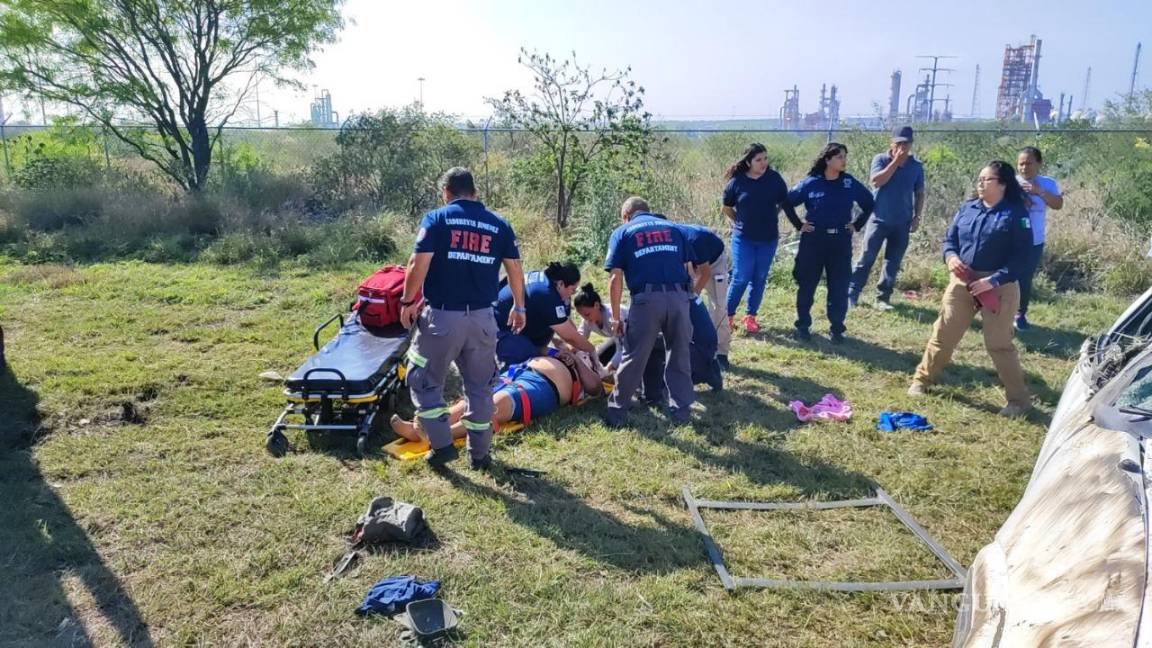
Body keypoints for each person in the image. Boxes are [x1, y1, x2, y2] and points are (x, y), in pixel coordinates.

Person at [399, 167, 525, 470]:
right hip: (483, 320)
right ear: (475, 192)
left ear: (446, 193)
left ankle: (442, 446)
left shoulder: (437, 219)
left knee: (425, 382)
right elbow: (515, 268)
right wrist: (519, 307)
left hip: (443, 318)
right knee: (480, 388)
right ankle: (480, 455)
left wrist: (407, 300)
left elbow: (418, 262)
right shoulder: (499, 224)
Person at [908, 161, 1034, 417]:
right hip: (963, 282)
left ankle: (1019, 401)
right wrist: (951, 257)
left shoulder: (1016, 214)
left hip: (999, 287)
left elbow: (1024, 258)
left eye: (987, 180)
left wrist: (994, 280)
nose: (980, 184)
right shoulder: (967, 209)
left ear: (1002, 184)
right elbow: (949, 240)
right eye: (979, 179)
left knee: (999, 344)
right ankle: (922, 381)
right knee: (943, 334)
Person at [603, 197, 697, 427]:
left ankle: (617, 413)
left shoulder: (623, 232)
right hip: (679, 297)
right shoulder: (675, 228)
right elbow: (689, 269)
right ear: (648, 210)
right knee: (679, 354)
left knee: (634, 355)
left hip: (647, 301)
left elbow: (615, 278)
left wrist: (615, 317)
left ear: (626, 216)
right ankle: (682, 412)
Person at [390, 350, 605, 443]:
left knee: (497, 403)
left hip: (546, 387)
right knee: (474, 399)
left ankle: (441, 436)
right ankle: (425, 426)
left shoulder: (589, 368)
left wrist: (578, 360)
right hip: (521, 373)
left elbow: (596, 388)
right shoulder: (564, 350)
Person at [785, 142, 875, 343]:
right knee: (807, 284)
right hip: (814, 240)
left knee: (839, 286)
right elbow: (787, 202)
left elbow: (869, 203)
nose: (844, 161)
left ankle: (837, 329)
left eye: (845, 156)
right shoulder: (811, 183)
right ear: (827, 160)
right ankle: (803, 326)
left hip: (840, 241)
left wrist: (857, 224)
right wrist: (799, 225)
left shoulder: (849, 183)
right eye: (839, 157)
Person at [721, 143, 803, 334]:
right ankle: (726, 317)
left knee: (759, 277)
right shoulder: (737, 182)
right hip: (743, 239)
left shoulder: (774, 179)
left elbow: (784, 202)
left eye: (765, 158)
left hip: (768, 239)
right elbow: (726, 207)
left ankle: (750, 317)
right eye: (758, 160)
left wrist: (785, 219)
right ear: (748, 162)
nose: (763, 162)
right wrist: (739, 220)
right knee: (741, 277)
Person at [848, 125, 926, 310]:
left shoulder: (916, 166)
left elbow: (920, 192)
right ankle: (851, 294)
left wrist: (917, 216)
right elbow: (876, 182)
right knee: (866, 258)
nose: (902, 147)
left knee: (892, 262)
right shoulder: (881, 160)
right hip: (879, 219)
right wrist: (895, 162)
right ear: (891, 143)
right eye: (898, 143)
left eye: (906, 143)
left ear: (911, 144)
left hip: (902, 222)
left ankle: (882, 298)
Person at [493, 261, 600, 367]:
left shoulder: (550, 284)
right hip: (502, 331)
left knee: (550, 351)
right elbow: (569, 337)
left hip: (519, 325)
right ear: (561, 284)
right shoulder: (546, 294)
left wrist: (573, 347)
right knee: (529, 362)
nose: (572, 294)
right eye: (572, 290)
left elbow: (565, 323)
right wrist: (592, 350)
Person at [1014, 146, 1063, 330]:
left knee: (1024, 278)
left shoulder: (1047, 183)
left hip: (1034, 240)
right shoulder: (1011, 182)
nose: (1024, 168)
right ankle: (997, 311)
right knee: (1004, 276)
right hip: (1010, 239)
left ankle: (1020, 314)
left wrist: (1038, 191)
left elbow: (1058, 204)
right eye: (1021, 164)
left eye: (1028, 163)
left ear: (1039, 163)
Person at [574, 283, 626, 371]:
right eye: (582, 316)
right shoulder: (588, 319)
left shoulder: (614, 318)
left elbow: (623, 349)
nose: (585, 319)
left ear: (597, 305)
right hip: (618, 339)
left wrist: (608, 369)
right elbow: (579, 339)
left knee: (624, 368)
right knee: (597, 360)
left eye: (587, 314)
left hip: (637, 338)